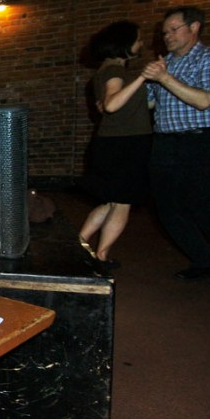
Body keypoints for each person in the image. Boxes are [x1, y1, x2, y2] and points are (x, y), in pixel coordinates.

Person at [141, 5, 210, 279]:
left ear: (194, 27)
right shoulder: (165, 64)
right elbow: (150, 103)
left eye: (173, 30)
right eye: (165, 32)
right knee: (167, 209)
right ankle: (204, 262)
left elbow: (204, 101)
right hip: (164, 145)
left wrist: (164, 78)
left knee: (198, 204)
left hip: (199, 143)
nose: (167, 36)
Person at [76, 21, 152, 271]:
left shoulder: (106, 70)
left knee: (111, 202)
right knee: (121, 203)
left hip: (113, 142)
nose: (141, 44)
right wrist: (143, 77)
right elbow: (110, 105)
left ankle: (78, 244)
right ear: (124, 44)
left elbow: (108, 107)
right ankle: (101, 256)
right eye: (138, 39)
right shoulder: (116, 72)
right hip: (125, 144)